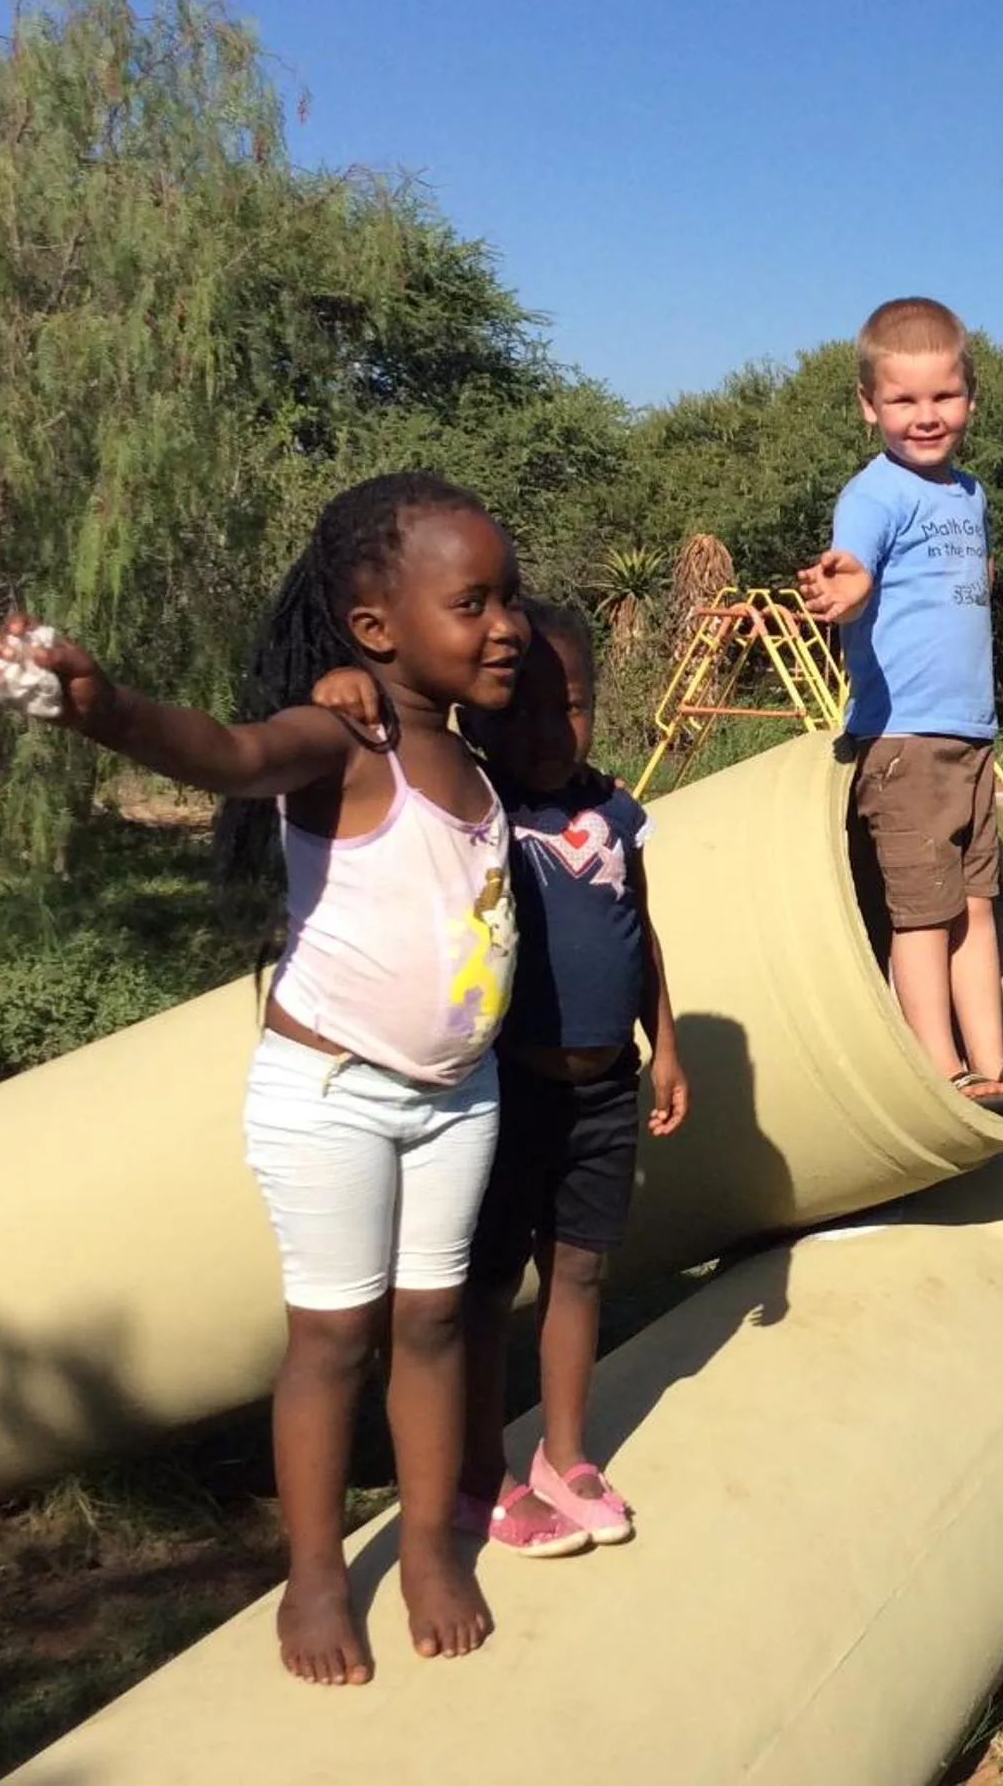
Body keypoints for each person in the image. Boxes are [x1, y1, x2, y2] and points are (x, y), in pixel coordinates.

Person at [0, 472, 526, 1686]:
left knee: (433, 1324)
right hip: (333, 1094)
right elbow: (228, 754)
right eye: (473, 602)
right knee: (332, 1343)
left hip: (456, 1099)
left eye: (511, 598)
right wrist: (105, 709)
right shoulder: (345, 734)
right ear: (377, 629)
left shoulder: (471, 749)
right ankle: (318, 1577)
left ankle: (431, 1542)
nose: (507, 625)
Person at [315, 603, 686, 1557]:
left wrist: (666, 1043)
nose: (554, 729)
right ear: (478, 719)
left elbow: (637, 932)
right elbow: (389, 757)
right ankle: (483, 1469)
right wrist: (349, 694)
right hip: (503, 1093)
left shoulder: (614, 811)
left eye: (575, 706)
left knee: (581, 1269)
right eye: (525, 711)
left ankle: (567, 1453)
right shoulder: (477, 811)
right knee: (480, 1292)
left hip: (606, 1090)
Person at [796, 296, 1003, 1119]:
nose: (926, 416)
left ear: (970, 398)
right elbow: (857, 565)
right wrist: (847, 588)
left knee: (975, 909)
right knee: (920, 917)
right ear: (868, 405)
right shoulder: (874, 495)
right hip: (905, 739)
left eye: (943, 397)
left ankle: (996, 1063)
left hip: (970, 738)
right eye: (904, 400)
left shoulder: (969, 494)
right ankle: (938, 1067)